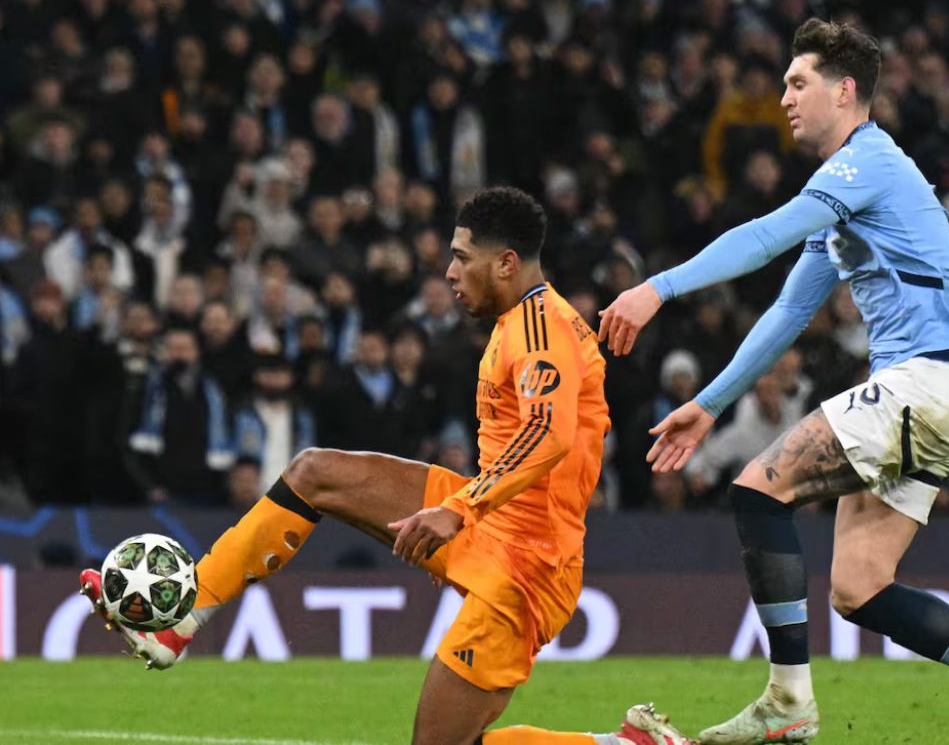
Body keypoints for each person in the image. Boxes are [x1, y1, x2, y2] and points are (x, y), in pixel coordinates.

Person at [600, 19, 949, 744]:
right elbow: (791, 310)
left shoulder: (867, 164)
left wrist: (657, 289)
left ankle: (788, 703)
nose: (785, 98)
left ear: (845, 91)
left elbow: (766, 235)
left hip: (923, 383)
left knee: (760, 488)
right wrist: (708, 405)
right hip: (945, 391)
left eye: (799, 84)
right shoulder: (853, 196)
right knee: (860, 589)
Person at [83, 186, 690, 745]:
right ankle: (183, 619)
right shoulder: (521, 322)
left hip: (529, 567)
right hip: (493, 525)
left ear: (506, 262)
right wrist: (459, 523)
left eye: (461, 257)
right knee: (315, 471)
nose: (449, 272)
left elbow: (547, 434)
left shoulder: (544, 330)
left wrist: (456, 513)